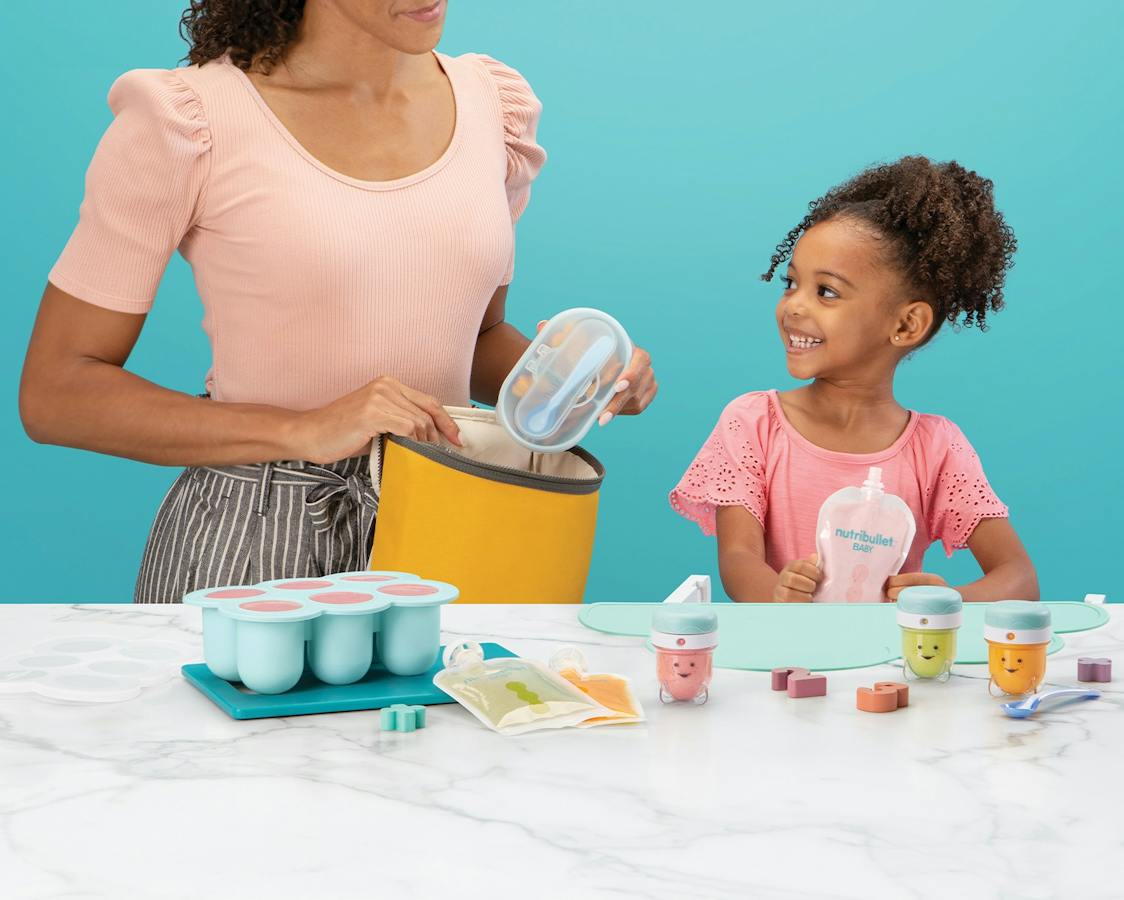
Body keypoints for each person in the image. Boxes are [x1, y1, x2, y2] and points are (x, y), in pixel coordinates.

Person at [20, 0, 657, 602]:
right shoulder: (190, 119)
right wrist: (302, 427)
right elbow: (56, 393)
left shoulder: (492, 104)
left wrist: (573, 375)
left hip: (451, 523)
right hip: (253, 540)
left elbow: (479, 338)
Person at [669, 156, 1036, 603]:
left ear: (905, 326)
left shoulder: (937, 450)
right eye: (791, 283)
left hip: (889, 671)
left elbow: (1019, 578)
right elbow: (739, 558)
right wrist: (778, 596)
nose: (794, 307)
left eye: (826, 291)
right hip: (782, 668)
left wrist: (945, 602)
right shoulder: (751, 424)